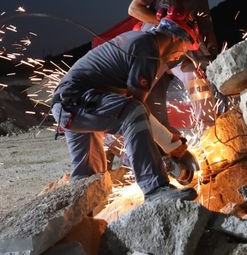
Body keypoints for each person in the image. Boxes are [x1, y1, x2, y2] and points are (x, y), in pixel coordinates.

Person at [51, 13, 201, 202]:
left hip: (71, 104)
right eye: (185, 48)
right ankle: (155, 189)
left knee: (89, 177)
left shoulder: (141, 40)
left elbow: (134, 109)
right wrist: (169, 144)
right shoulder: (148, 49)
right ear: (175, 37)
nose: (180, 55)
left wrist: (168, 142)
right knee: (133, 112)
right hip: (79, 101)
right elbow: (136, 110)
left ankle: (77, 221)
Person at [127, 0, 222, 129]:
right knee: (140, 97)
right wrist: (163, 21)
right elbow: (133, 8)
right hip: (154, 51)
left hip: (180, 54)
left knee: (197, 79)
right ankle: (113, 145)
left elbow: (207, 29)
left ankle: (209, 131)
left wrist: (213, 57)